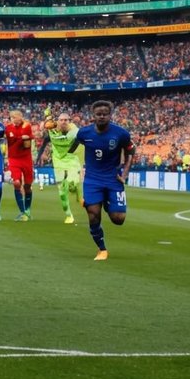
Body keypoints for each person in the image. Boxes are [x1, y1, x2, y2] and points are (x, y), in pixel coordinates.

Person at [67, 100, 134, 261]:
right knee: (93, 215)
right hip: (92, 179)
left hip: (113, 179)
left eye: (105, 114)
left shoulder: (121, 133)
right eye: (98, 114)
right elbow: (71, 148)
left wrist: (124, 174)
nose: (102, 116)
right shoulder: (84, 133)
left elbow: (131, 151)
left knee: (118, 219)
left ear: (110, 115)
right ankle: (102, 249)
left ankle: (104, 201)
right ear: (93, 116)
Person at [36, 111, 83, 224]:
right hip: (58, 161)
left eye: (65, 120)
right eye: (61, 120)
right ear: (57, 121)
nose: (63, 122)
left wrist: (70, 151)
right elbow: (44, 142)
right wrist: (38, 157)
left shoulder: (74, 131)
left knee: (72, 184)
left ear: (69, 122)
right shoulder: (52, 131)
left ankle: (77, 193)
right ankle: (69, 215)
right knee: (62, 191)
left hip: (71, 159)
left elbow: (79, 140)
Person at [5, 109, 36, 221]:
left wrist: (26, 138)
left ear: (21, 117)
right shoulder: (8, 128)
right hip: (13, 159)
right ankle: (22, 212)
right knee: (17, 183)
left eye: (16, 117)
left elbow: (30, 138)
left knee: (27, 185)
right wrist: (21, 138)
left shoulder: (27, 126)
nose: (14, 119)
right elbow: (11, 140)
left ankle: (27, 211)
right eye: (12, 117)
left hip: (26, 158)